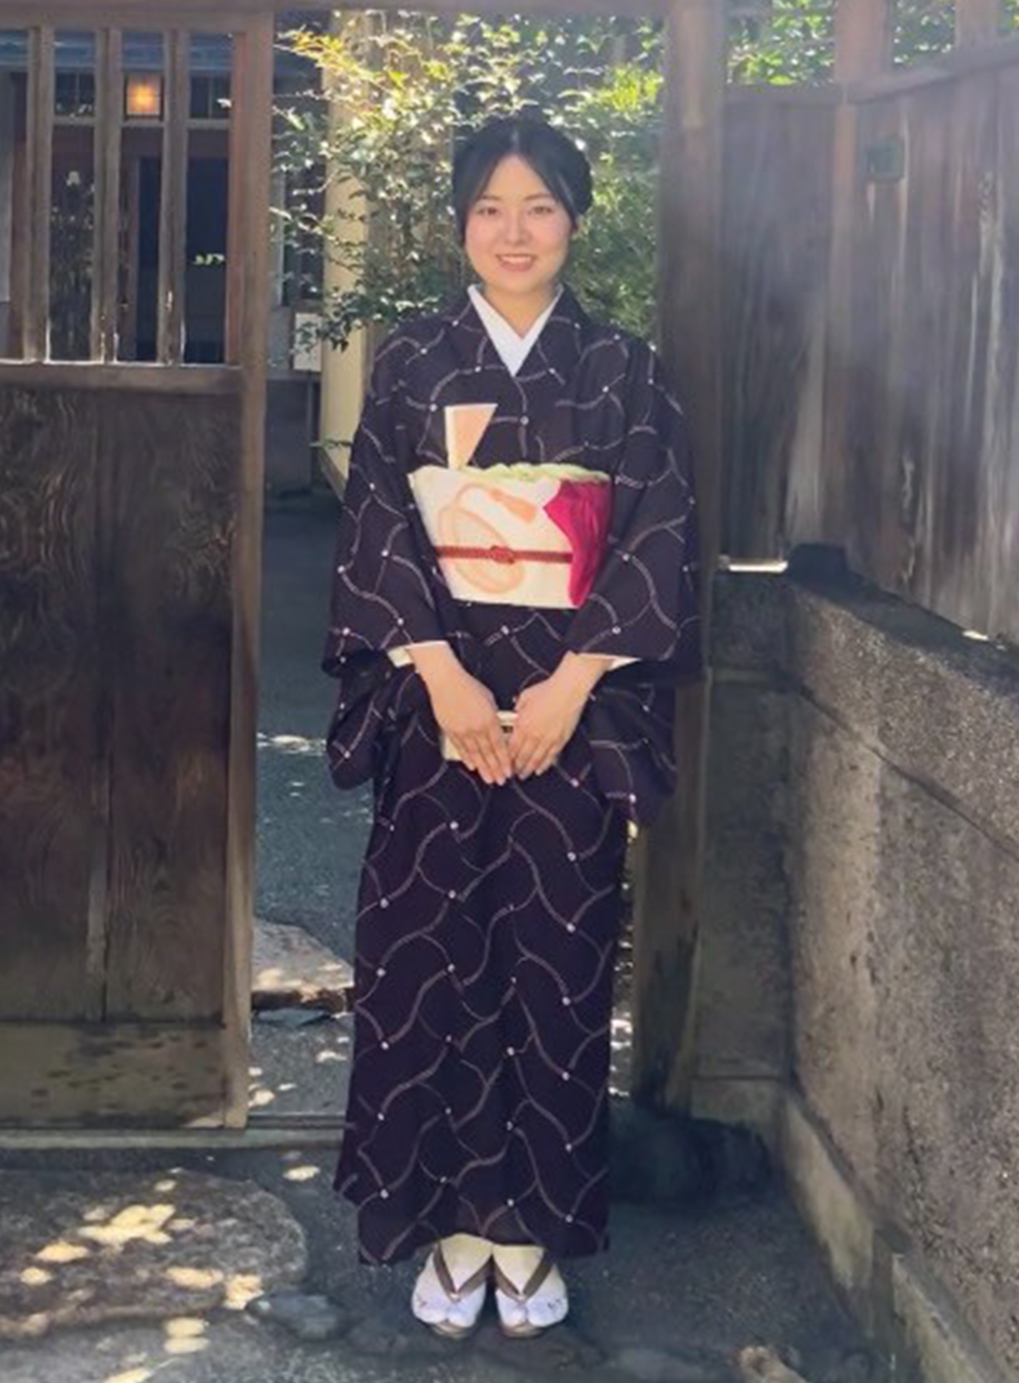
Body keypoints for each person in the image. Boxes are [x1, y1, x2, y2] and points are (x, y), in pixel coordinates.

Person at [322, 113, 701, 1340]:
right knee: (425, 959)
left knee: (555, 960)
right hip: (437, 710)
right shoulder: (412, 361)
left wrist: (572, 683)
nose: (514, 231)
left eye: (538, 206)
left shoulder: (624, 371)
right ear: (459, 226)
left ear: (574, 218)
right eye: (489, 208)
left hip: (564, 718)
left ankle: (526, 1235)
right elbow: (376, 522)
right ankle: (447, 1227)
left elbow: (655, 535)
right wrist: (435, 673)